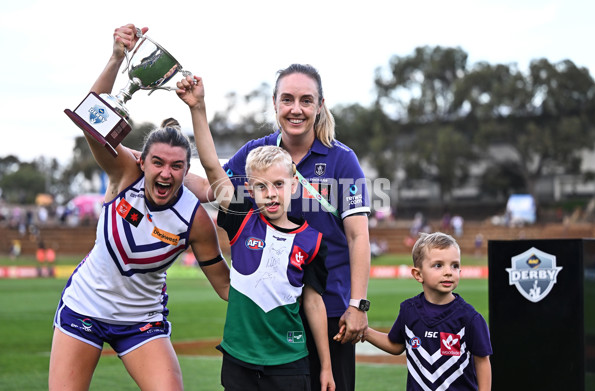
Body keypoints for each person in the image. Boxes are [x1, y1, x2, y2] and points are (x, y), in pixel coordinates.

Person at [48, 24, 230, 391]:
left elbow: (225, 284)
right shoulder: (124, 173)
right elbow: (92, 120)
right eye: (158, 163)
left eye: (176, 166)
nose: (166, 173)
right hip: (85, 307)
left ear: (185, 170)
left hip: (141, 321)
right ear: (142, 161)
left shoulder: (195, 220)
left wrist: (279, 293)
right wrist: (117, 56)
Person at [185, 63, 372, 390]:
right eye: (287, 99)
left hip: (330, 309)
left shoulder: (343, 160)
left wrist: (358, 304)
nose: (296, 109)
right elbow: (214, 185)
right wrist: (154, 164)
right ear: (274, 104)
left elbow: (358, 237)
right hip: (273, 314)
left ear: (319, 105)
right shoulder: (257, 154)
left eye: (305, 100)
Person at [351, 232, 492, 391]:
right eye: (438, 265)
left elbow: (482, 361)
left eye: (455, 265)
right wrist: (364, 332)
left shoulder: (470, 318)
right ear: (418, 274)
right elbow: (396, 345)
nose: (448, 272)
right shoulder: (408, 311)